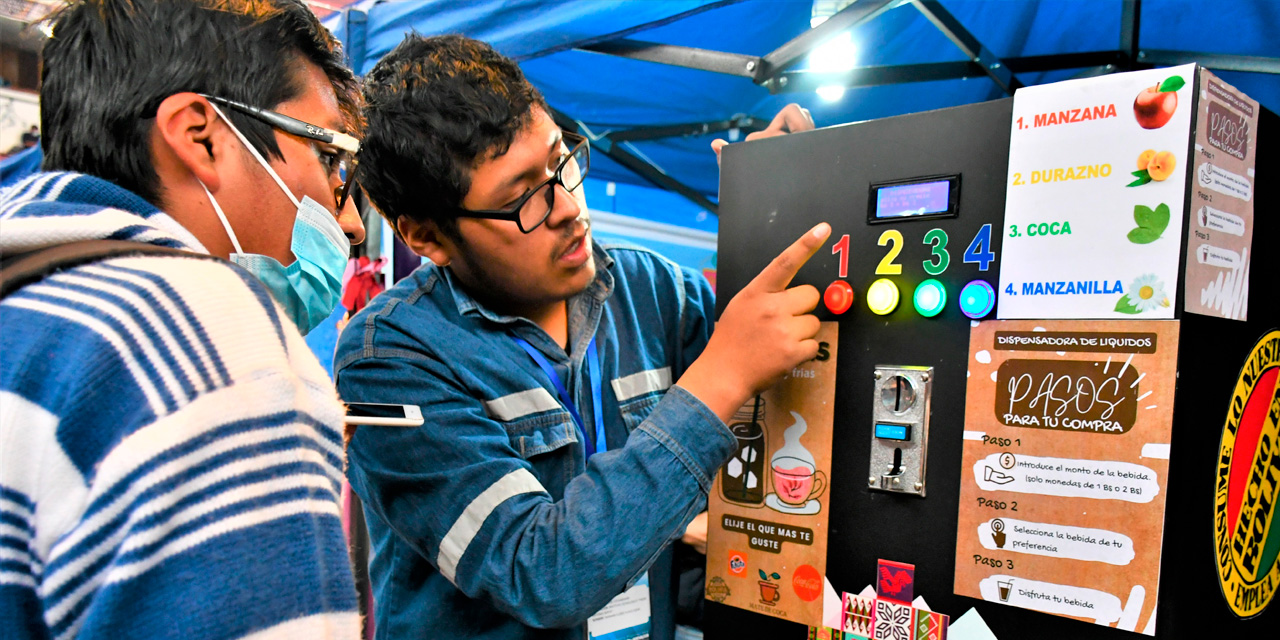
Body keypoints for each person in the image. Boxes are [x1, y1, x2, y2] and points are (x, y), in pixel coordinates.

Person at [337, 34, 827, 640]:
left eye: (562, 161)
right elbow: (538, 573)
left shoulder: (651, 290)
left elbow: (784, 371)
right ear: (426, 237)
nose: (568, 206)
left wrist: (773, 213)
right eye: (523, 199)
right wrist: (718, 377)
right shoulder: (390, 357)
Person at [0, 1, 366, 637]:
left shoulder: (30, 303)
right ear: (201, 136)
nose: (352, 223)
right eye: (329, 156)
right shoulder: (210, 331)